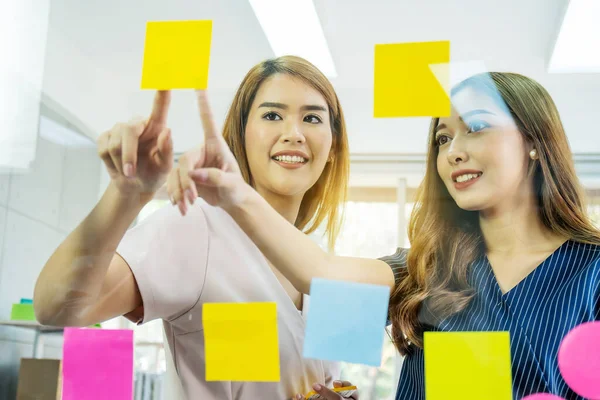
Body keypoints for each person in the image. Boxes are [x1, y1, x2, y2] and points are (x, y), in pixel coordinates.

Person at [173, 72, 600, 400]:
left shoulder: (592, 270)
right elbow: (319, 275)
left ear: (535, 142)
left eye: (476, 127)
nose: (452, 151)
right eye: (442, 138)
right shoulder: (424, 268)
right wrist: (234, 194)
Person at [34, 55, 355, 400]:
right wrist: (126, 196)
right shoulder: (198, 229)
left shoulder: (317, 262)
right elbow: (57, 307)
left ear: (333, 146)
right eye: (272, 115)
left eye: (311, 118)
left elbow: (321, 381)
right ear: (242, 136)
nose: (293, 134)